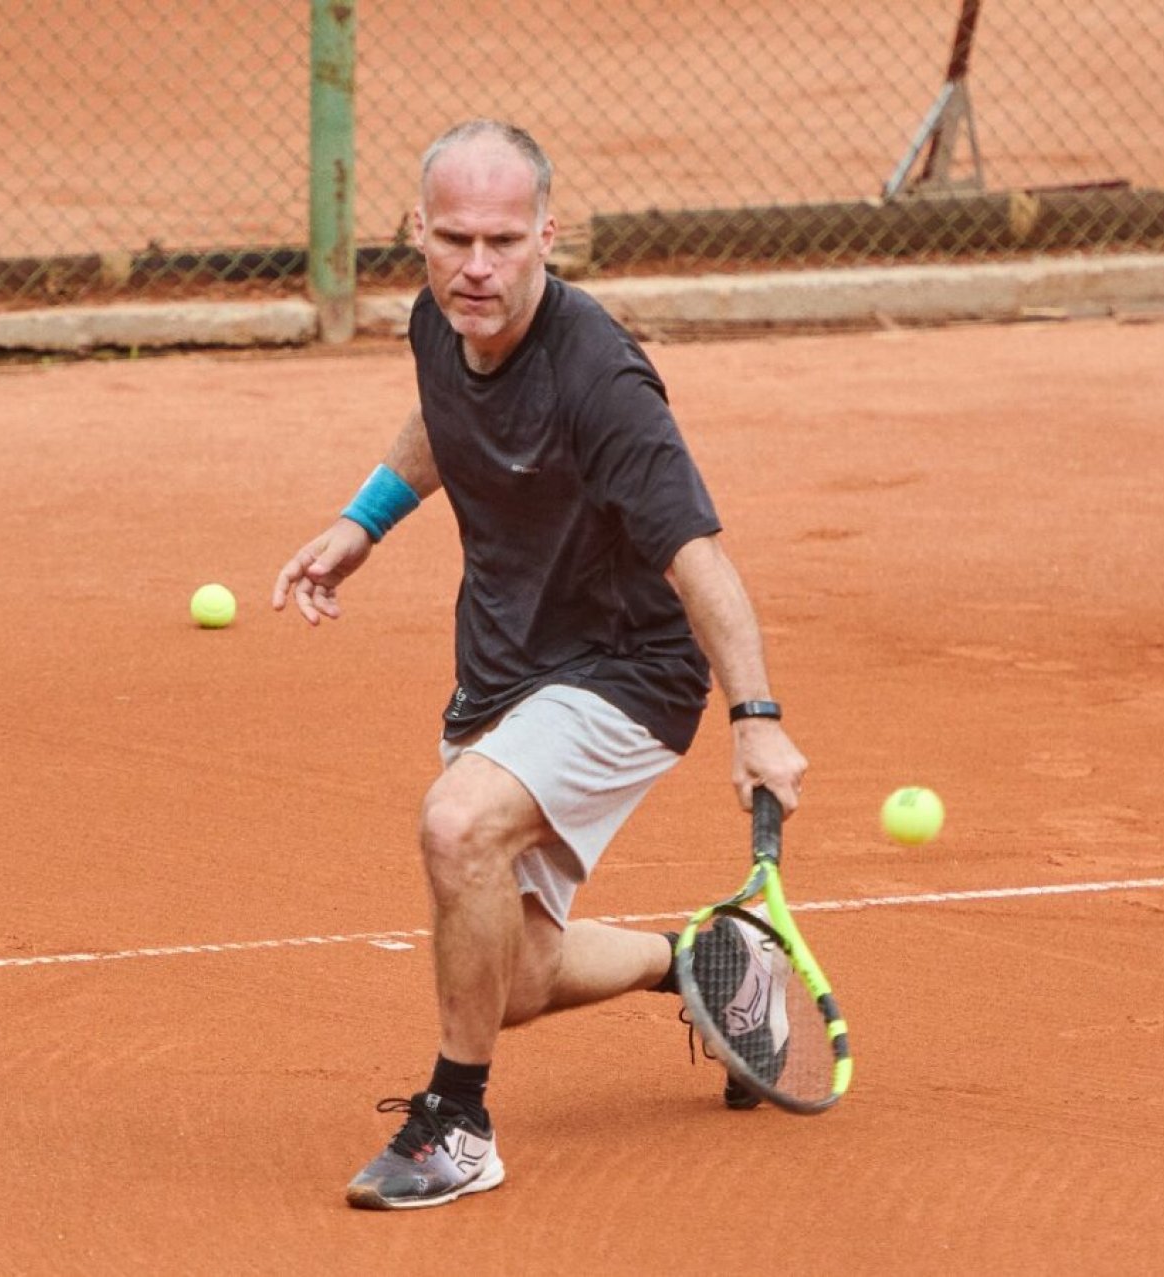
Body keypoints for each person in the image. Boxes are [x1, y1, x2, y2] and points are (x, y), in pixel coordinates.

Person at [271, 118, 807, 1211]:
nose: (477, 267)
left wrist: (755, 715)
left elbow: (699, 559)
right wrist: (365, 519)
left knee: (458, 823)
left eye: (504, 242)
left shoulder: (601, 381)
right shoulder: (442, 317)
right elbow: (445, 413)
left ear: (547, 238)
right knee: (510, 976)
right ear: (418, 231)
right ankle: (706, 961)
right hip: (504, 660)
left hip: (625, 668)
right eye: (455, 238)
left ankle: (457, 1124)